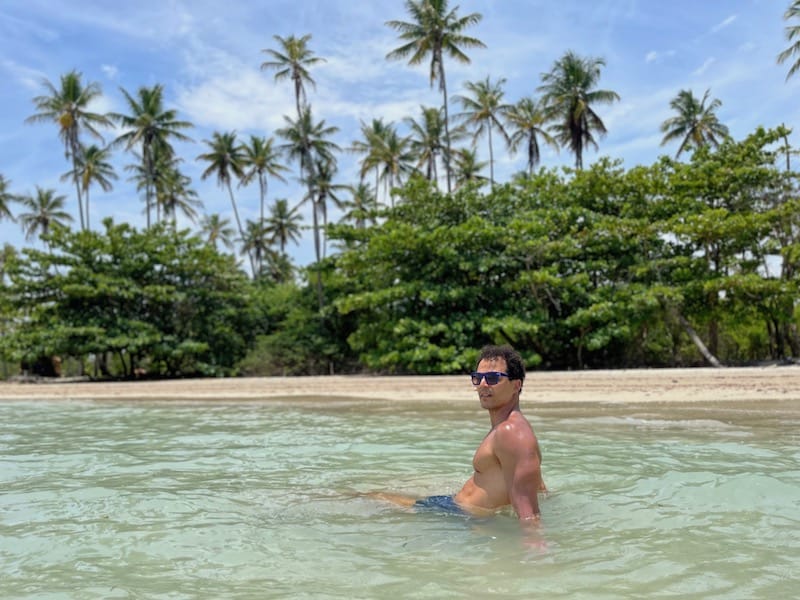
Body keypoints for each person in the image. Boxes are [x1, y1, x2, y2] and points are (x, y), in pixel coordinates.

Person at [373, 344, 546, 523]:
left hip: (458, 516)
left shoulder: (511, 432)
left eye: (493, 378)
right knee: (379, 497)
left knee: (373, 499)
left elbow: (530, 515)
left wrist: (533, 545)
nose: (483, 385)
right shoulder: (517, 429)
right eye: (478, 378)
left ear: (516, 385)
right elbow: (536, 485)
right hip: (453, 507)